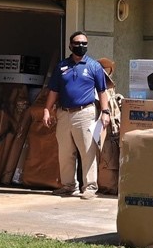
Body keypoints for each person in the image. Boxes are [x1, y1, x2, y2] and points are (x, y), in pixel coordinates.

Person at [40, 31, 111, 199]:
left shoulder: (94, 66)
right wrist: (46, 110)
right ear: (70, 46)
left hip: (85, 113)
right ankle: (68, 185)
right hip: (63, 114)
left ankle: (90, 187)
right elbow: (53, 91)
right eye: (78, 44)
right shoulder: (61, 67)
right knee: (65, 152)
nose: (81, 47)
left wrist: (105, 111)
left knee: (87, 150)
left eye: (84, 44)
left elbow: (102, 91)